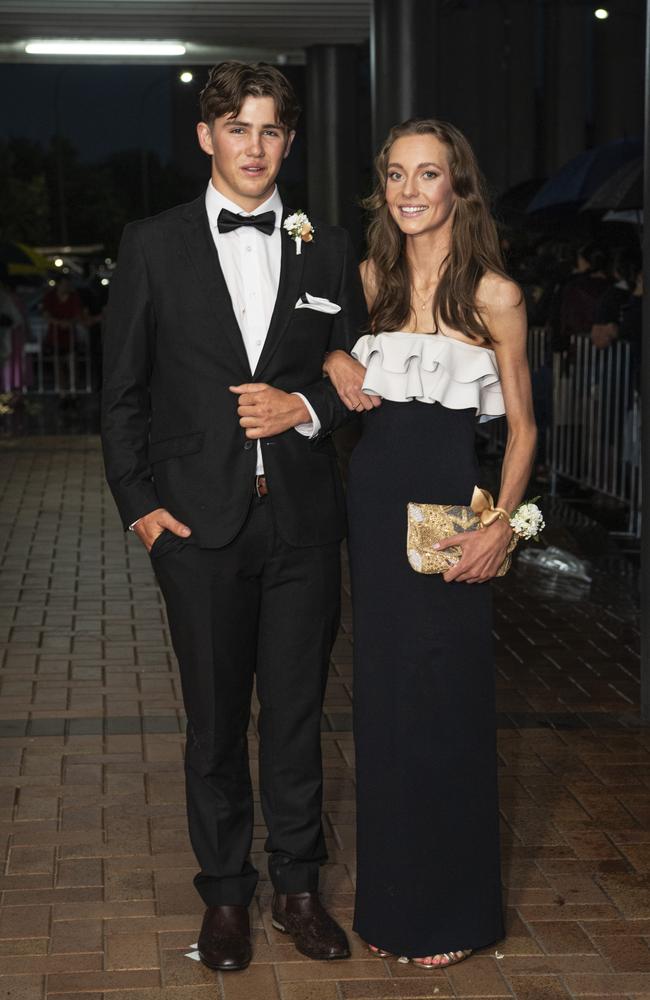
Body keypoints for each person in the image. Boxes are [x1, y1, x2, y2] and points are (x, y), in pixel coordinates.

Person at [101, 61, 366, 972]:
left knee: (296, 715)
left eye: (271, 131)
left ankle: (299, 888)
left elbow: (356, 374)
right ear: (207, 136)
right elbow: (122, 393)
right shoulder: (151, 243)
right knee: (214, 724)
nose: (255, 146)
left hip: (301, 522)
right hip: (197, 528)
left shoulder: (328, 248)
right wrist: (142, 509)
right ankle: (225, 898)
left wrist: (308, 409)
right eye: (238, 127)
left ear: (289, 142)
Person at [323, 118, 537, 968]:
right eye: (398, 175)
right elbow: (319, 359)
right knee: (384, 710)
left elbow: (522, 432)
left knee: (446, 708)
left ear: (459, 187)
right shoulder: (365, 280)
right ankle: (393, 906)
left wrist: (504, 527)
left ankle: (450, 916)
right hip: (373, 519)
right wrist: (339, 357)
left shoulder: (496, 296)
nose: (412, 191)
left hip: (454, 524)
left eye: (430, 175)